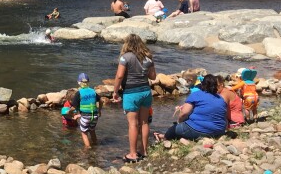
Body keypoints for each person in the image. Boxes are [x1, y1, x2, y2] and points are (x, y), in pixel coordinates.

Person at [111, 34, 156, 162]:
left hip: (131, 93)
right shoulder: (148, 58)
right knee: (144, 122)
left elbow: (119, 76)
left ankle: (132, 154)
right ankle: (144, 151)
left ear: (127, 44)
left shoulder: (125, 58)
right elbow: (153, 77)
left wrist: (115, 91)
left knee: (133, 124)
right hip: (146, 92)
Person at [155, 74, 228, 141]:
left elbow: (184, 113)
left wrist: (179, 123)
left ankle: (164, 139)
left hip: (200, 130)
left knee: (172, 130)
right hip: (218, 131)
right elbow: (224, 116)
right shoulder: (221, 99)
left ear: (203, 84)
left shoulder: (197, 94)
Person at [69, 73, 102, 148]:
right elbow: (101, 101)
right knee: (92, 130)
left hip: (85, 116)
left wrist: (69, 112)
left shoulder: (79, 93)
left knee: (84, 133)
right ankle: (95, 144)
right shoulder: (93, 91)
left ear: (79, 83)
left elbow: (74, 108)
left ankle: (88, 148)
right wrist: (99, 110)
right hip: (95, 115)